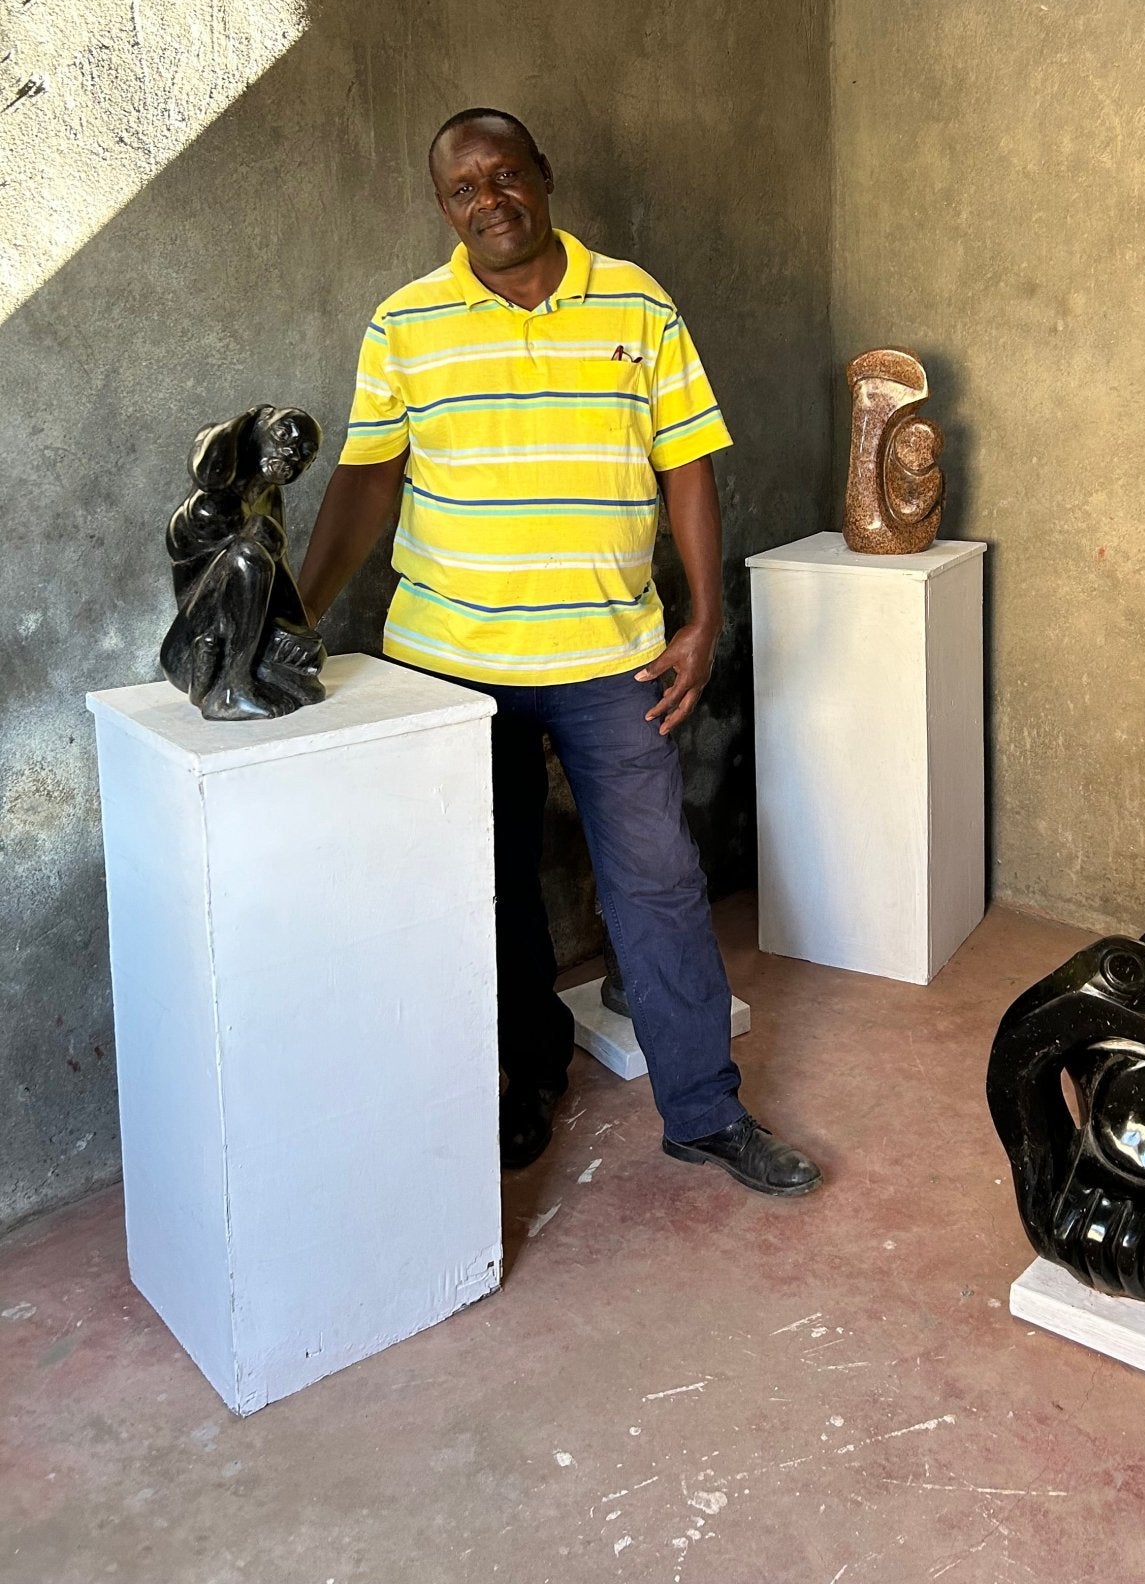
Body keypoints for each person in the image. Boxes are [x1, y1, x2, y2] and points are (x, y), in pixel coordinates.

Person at [297, 108, 820, 1197]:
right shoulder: (406, 322)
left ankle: (704, 1112)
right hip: (448, 663)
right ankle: (528, 1077)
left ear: (543, 176)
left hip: (608, 656)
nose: (489, 202)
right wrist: (297, 610)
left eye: (505, 175)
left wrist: (704, 618)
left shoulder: (637, 301)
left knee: (660, 882)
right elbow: (367, 480)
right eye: (462, 190)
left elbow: (686, 466)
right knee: (491, 887)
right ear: (444, 209)